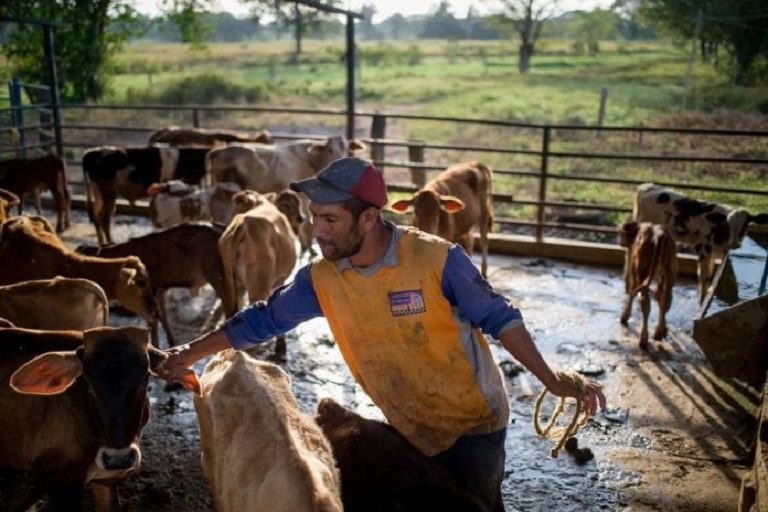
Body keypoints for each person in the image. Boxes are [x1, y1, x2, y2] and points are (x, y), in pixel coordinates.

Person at [158, 156, 606, 511]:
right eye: (315, 218)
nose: (317, 232)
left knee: (474, 504)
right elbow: (261, 319)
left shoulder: (436, 259)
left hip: (471, 424)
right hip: (408, 423)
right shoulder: (323, 278)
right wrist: (191, 352)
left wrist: (550, 380)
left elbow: (501, 317)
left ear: (369, 219)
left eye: (330, 220)